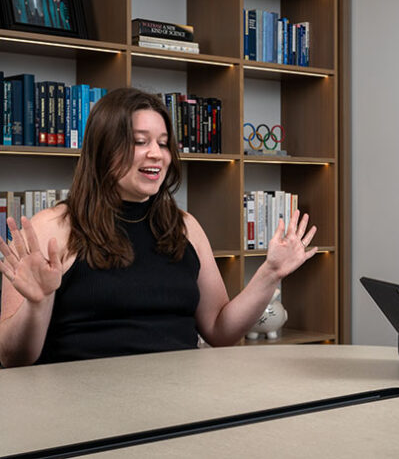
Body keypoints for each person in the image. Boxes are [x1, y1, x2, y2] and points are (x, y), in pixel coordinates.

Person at [0, 87, 318, 367]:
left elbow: (221, 333)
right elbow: (11, 357)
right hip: (83, 409)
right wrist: (37, 303)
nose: (157, 154)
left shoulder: (185, 227)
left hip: (177, 402)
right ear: (102, 149)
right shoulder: (52, 229)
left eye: (163, 143)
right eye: (140, 141)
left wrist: (270, 273)